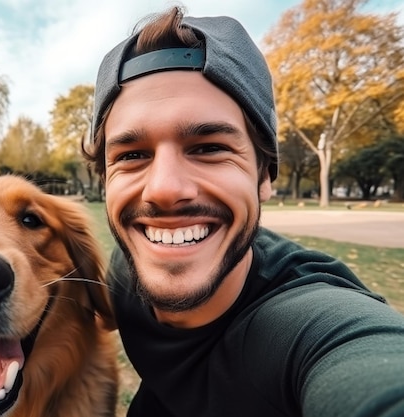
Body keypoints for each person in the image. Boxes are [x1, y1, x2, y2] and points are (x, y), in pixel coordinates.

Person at [83, 6, 404, 417]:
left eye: (209, 148)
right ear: (106, 180)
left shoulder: (305, 325)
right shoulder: (124, 272)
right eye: (132, 155)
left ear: (264, 174)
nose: (163, 189)